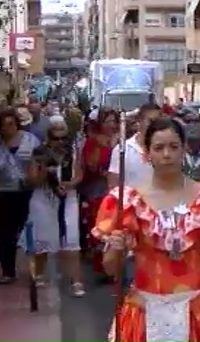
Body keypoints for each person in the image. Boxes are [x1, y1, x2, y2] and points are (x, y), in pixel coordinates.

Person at [94, 116, 200, 342]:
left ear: (184, 150)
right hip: (144, 310)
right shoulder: (128, 201)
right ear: (147, 153)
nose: (166, 154)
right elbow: (111, 268)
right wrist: (117, 248)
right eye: (159, 147)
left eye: (174, 147)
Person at [26, 115, 86, 297]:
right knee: (43, 236)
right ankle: (40, 273)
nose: (60, 141)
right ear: (49, 137)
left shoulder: (72, 151)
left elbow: (79, 174)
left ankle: (76, 280)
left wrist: (70, 184)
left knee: (71, 238)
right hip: (44, 198)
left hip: (67, 198)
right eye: (56, 137)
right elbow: (32, 180)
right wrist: (45, 172)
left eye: (63, 137)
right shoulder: (39, 153)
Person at [0, 106, 41, 284]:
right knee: (6, 235)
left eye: (11, 124)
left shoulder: (31, 141)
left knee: (29, 232)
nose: (8, 128)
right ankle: (8, 271)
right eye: (4, 125)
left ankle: (35, 271)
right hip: (3, 194)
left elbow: (42, 164)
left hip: (27, 193)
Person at [81, 108, 121, 278]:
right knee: (100, 226)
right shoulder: (93, 142)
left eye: (114, 121)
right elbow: (91, 165)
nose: (111, 125)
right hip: (98, 189)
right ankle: (102, 265)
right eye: (107, 121)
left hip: (117, 188)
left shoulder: (123, 140)